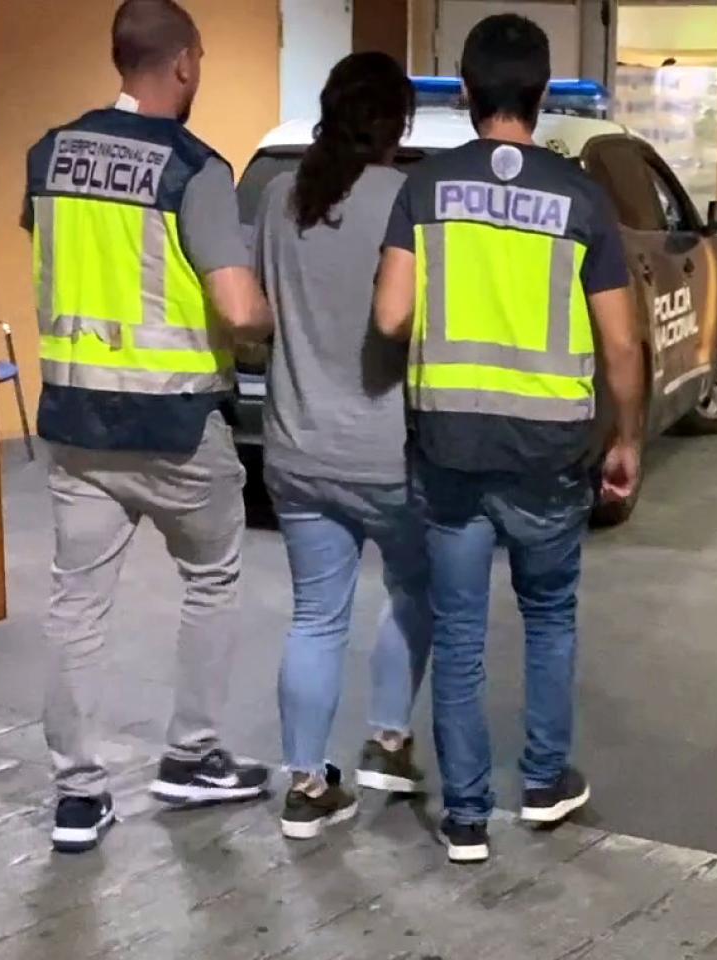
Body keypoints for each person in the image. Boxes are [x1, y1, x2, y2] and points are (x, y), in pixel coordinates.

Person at [373, 14, 646, 864]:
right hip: (550, 455)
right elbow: (623, 343)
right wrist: (626, 437)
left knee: (457, 633)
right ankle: (542, 782)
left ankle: (463, 818)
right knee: (549, 616)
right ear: (540, 93)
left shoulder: (423, 190)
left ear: (463, 92)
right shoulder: (580, 199)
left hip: (450, 449)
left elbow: (389, 316)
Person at [22, 0, 274, 854]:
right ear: (184, 65)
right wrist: (276, 319)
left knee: (76, 606)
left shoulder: (49, 154)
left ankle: (79, 798)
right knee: (213, 578)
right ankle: (191, 757)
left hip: (77, 427)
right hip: (173, 430)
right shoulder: (194, 170)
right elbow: (237, 309)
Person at [251, 52, 429, 841]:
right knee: (416, 594)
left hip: (296, 449)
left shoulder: (281, 199)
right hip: (390, 454)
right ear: (401, 124)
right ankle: (389, 742)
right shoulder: (408, 201)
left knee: (316, 618)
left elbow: (259, 319)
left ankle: (304, 785)